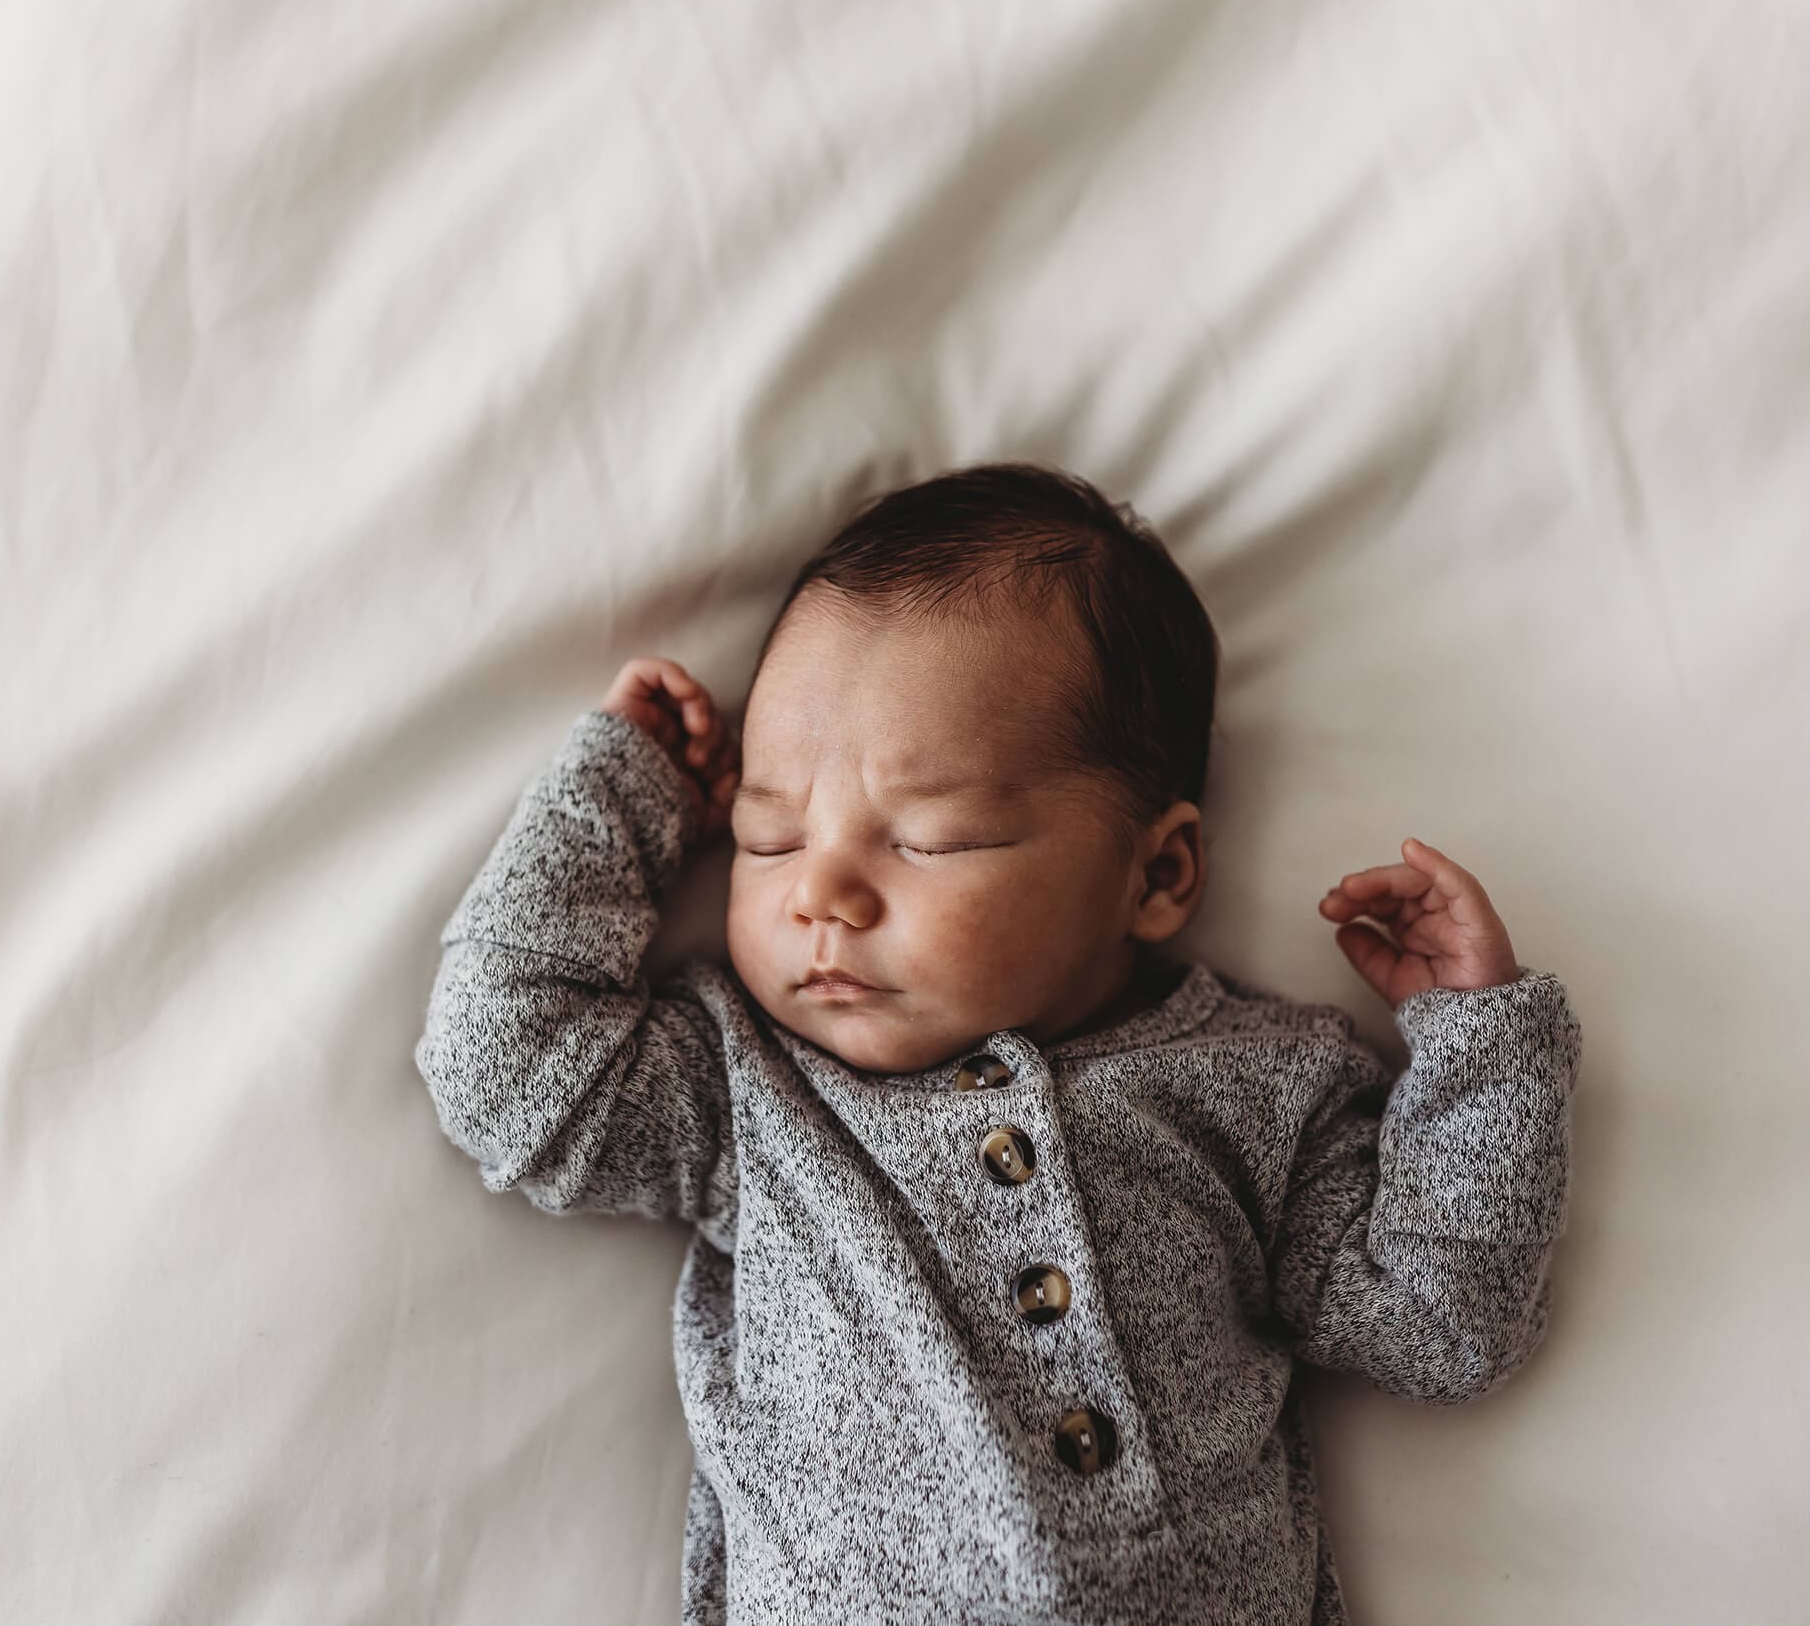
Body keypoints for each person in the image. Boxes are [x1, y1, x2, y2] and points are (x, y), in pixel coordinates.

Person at [413, 463, 1582, 1624]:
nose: (819, 891)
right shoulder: (746, 1091)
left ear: (1157, 871)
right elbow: (501, 1068)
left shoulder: (1260, 1086)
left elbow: (1443, 1323)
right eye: (767, 836)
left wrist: (1477, 1044)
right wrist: (621, 799)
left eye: (927, 837)